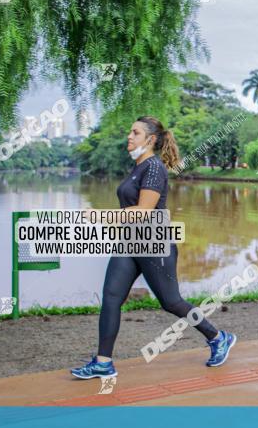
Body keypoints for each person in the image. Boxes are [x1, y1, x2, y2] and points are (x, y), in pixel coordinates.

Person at [71, 117, 236, 379]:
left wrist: (97, 216)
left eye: (135, 132)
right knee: (111, 298)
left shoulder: (154, 168)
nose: (129, 136)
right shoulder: (137, 167)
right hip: (130, 242)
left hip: (154, 243)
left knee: (171, 301)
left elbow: (141, 212)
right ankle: (103, 362)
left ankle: (218, 337)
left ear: (150, 140)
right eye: (129, 131)